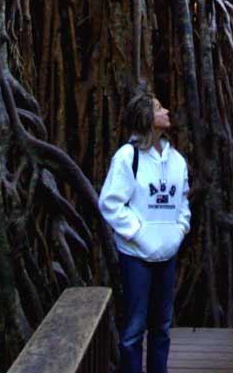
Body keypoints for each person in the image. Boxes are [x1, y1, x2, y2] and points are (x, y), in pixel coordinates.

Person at [99, 87, 190, 373]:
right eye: (159, 108)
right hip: (136, 255)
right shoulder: (128, 157)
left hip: (167, 254)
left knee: (162, 327)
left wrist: (179, 230)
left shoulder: (177, 161)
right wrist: (139, 233)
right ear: (146, 117)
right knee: (134, 330)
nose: (166, 112)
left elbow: (183, 201)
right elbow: (110, 203)